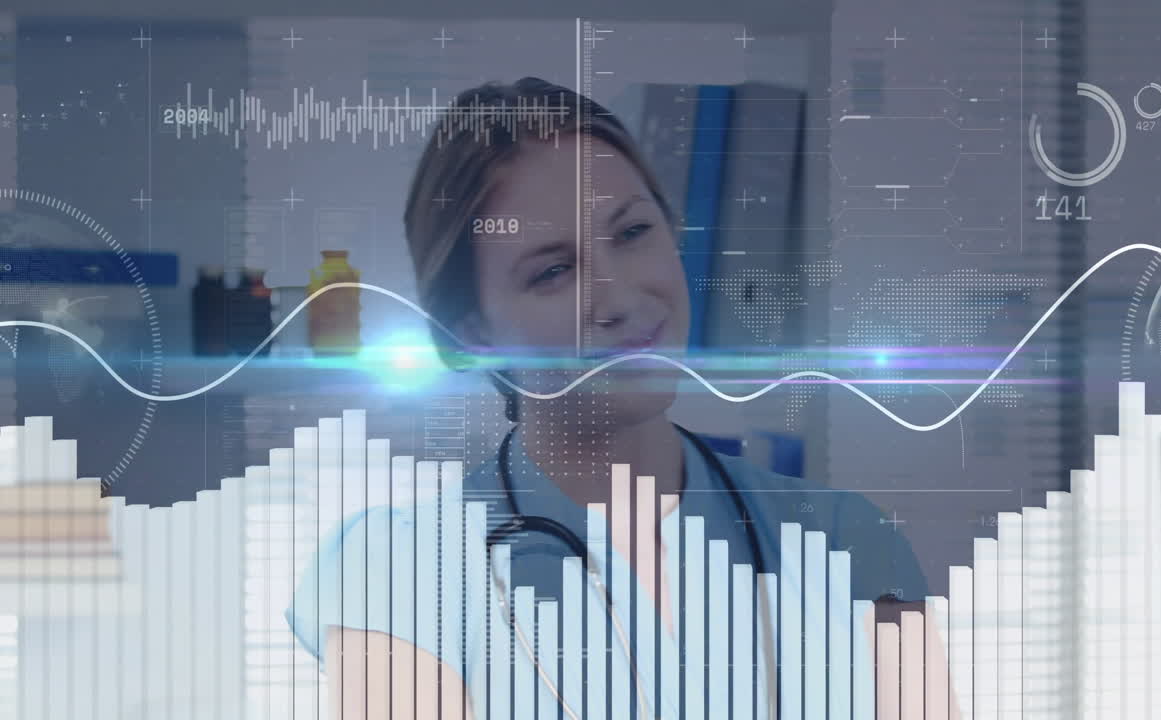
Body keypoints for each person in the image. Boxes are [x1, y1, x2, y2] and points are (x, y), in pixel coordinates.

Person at [286, 77, 927, 719]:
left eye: (633, 232)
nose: (618, 298)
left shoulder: (844, 540)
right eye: (553, 271)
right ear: (474, 333)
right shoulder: (397, 569)